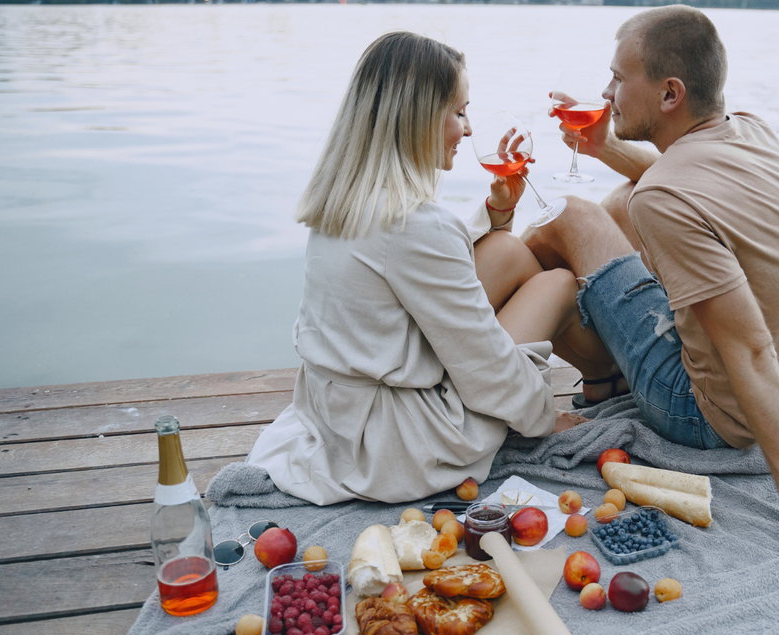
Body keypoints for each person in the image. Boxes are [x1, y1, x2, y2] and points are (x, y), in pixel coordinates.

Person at [523, 5, 779, 584]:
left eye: (618, 78)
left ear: (670, 93)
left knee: (570, 217)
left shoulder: (665, 197)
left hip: (705, 417)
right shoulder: (749, 130)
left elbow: (750, 350)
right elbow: (670, 173)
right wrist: (601, 146)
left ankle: (482, 353)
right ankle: (591, 364)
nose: (606, 92)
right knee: (621, 202)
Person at [246, 31, 604, 505]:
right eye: (459, 112)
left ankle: (605, 377)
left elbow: (420, 269)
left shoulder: (348, 199)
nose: (469, 130)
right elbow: (485, 366)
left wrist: (498, 212)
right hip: (395, 441)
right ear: (417, 118)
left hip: (339, 412)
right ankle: (611, 378)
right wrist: (541, 419)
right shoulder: (414, 225)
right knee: (556, 284)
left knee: (507, 251)